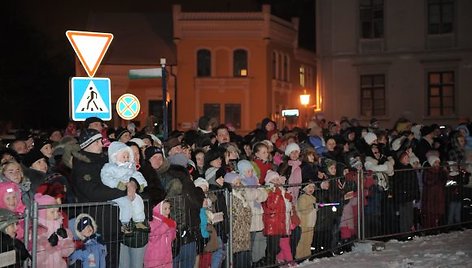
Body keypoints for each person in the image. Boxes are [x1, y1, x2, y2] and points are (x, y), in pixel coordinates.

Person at [70, 129, 139, 267]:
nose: (101, 145)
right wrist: (123, 190)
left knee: (113, 258)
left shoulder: (103, 160)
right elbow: (93, 192)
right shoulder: (82, 165)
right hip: (97, 220)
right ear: (87, 144)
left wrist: (133, 183)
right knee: (99, 260)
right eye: (97, 142)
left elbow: (124, 174)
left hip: (112, 218)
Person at [100, 141, 149, 235]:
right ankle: (125, 223)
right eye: (124, 156)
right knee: (126, 204)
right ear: (115, 156)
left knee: (138, 200)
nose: (126, 159)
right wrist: (117, 184)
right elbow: (106, 178)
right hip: (117, 192)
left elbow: (137, 175)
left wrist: (141, 184)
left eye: (127, 156)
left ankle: (139, 221)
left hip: (128, 191)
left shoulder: (130, 167)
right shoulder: (109, 168)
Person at [35, 193, 75, 268]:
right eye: (52, 212)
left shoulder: (58, 225)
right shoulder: (37, 229)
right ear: (42, 213)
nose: (56, 215)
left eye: (57, 211)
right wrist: (48, 245)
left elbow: (66, 252)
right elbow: (34, 256)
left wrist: (66, 239)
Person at [144, 200, 176, 268]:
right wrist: (166, 225)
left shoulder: (168, 221)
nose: (168, 211)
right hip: (154, 258)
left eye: (169, 208)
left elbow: (172, 238)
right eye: (165, 208)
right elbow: (152, 237)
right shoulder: (152, 223)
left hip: (167, 257)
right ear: (159, 209)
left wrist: (173, 227)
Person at [295, 183, 317, 259]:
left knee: (308, 241)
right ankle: (299, 256)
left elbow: (313, 209)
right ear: (304, 188)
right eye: (309, 187)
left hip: (311, 223)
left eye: (313, 187)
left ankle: (307, 255)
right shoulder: (302, 198)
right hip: (303, 223)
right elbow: (303, 210)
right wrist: (313, 206)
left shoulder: (313, 198)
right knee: (302, 241)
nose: (311, 189)